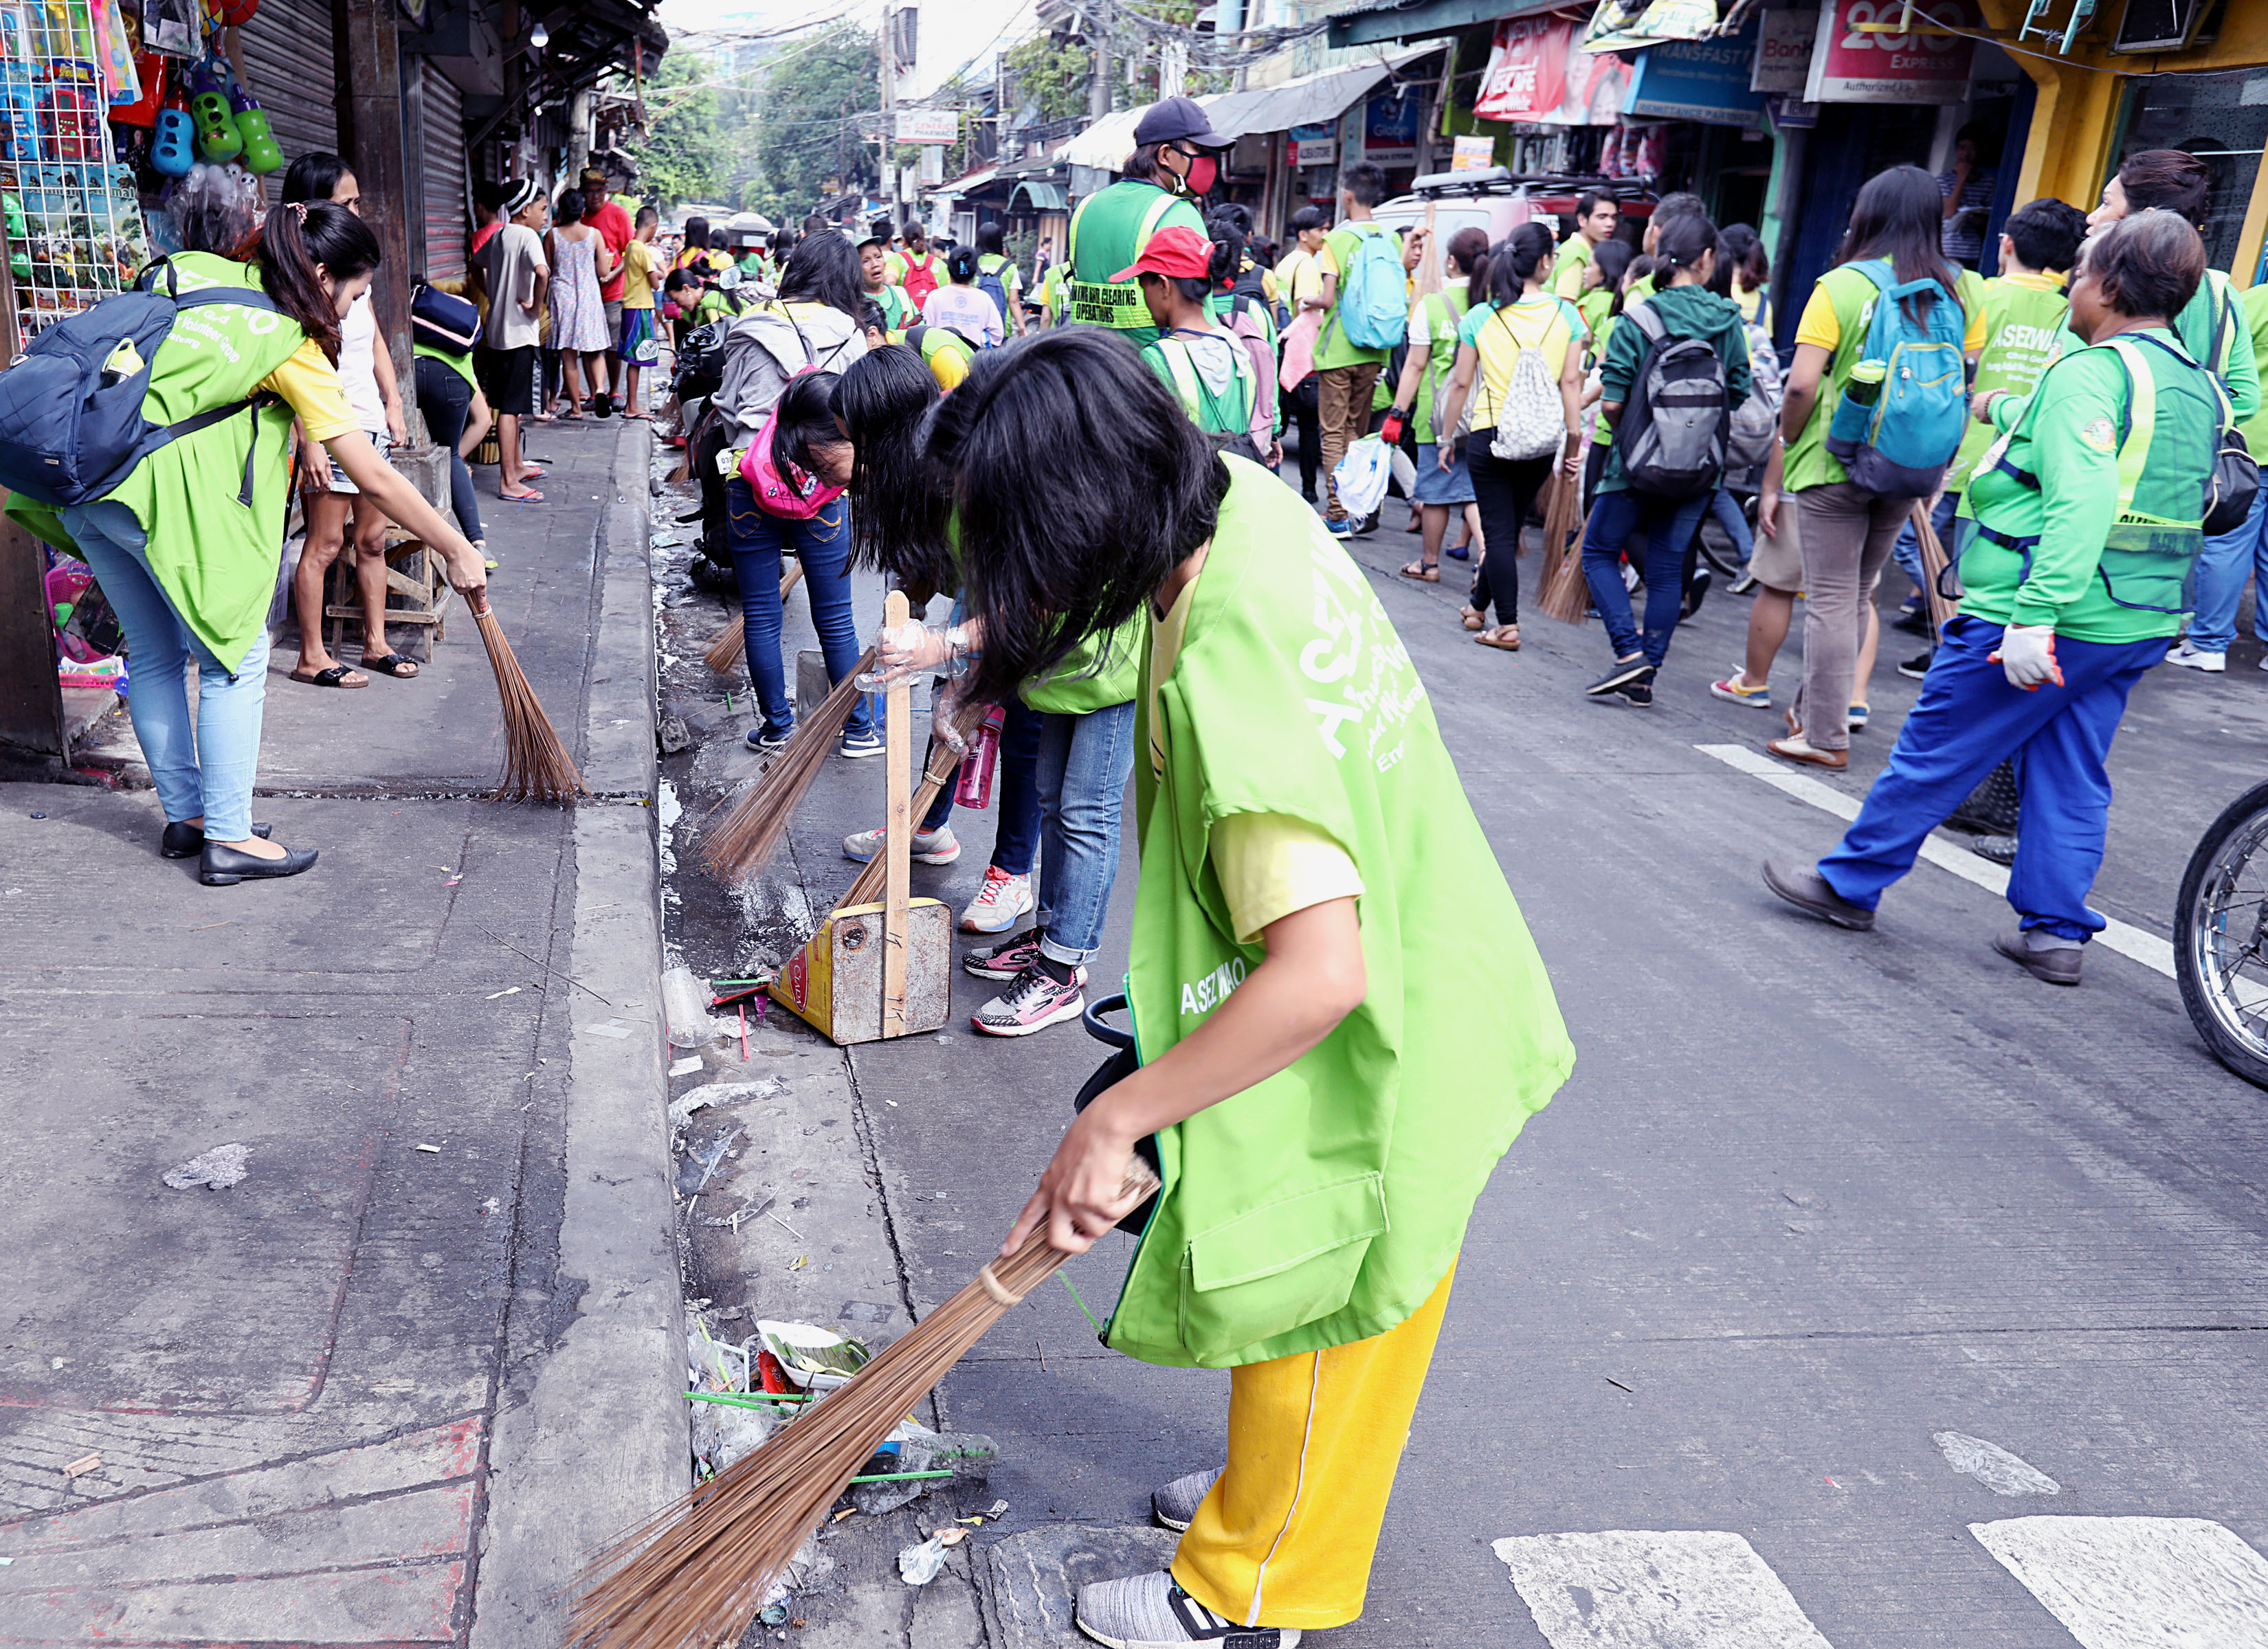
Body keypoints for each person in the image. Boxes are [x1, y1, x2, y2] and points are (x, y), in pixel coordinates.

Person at [889, 328, 1571, 1648]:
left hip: (1391, 1025)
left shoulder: (1234, 700)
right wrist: (994, 666)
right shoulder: (1235, 503)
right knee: (1290, 1269)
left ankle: (1252, 1592)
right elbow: (1103, 637)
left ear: (1078, 524)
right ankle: (1275, 1484)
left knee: (1332, 1301)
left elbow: (1318, 975)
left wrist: (1120, 1116)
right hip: (1439, 945)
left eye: (1013, 552)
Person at [1763, 210, 2223, 988]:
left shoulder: (2091, 372)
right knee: (2072, 771)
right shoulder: (2191, 381)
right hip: (2135, 619)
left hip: (2043, 612)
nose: (2071, 287)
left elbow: (2080, 499)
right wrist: (2000, 408)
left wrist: (2035, 617)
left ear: (2109, 286)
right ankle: (2054, 930)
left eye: (2080, 274)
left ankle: (1850, 884)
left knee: (1935, 750)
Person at [5, 200, 486, 885]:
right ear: (320, 273)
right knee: (237, 656)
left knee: (153, 653)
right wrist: (456, 545)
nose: (350, 312)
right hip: (158, 499)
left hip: (85, 484)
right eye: (351, 293)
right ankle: (229, 839)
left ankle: (190, 817)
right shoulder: (287, 340)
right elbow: (371, 471)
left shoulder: (198, 272)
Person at [1772, 165, 1973, 767]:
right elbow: (1963, 382)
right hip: (1910, 463)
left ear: (1868, 215)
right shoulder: (1963, 287)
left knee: (1831, 596)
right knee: (1858, 592)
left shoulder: (1841, 285)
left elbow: (1802, 385)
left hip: (1836, 460)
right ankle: (1816, 710)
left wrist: (1788, 438)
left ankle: (1825, 735)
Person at [1884, 195, 2088, 677]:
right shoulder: (2070, 312)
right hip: (2023, 461)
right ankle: (1954, 631)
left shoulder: (1978, 295)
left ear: (2008, 245)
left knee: (1921, 548)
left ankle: (1955, 630)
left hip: (1963, 450)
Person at [2082, 149, 2267, 671]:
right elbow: (2244, 399)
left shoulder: (2101, 288)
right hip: (2173, 510)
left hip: (2094, 502)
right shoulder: (2219, 290)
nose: (2094, 216)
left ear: (2142, 218)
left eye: (2106, 203)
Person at [1574, 213, 1748, 701]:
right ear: (1708, 259)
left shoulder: (1639, 319)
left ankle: (1628, 654)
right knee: (1670, 568)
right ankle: (1647, 672)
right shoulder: (1727, 321)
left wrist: (1638, 433)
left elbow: (1611, 401)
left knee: (1599, 551)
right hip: (1700, 468)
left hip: (1633, 463)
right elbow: (1739, 388)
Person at [716, 232, 875, 756]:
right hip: (825, 488)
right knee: (835, 615)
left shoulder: (751, 325)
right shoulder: (849, 336)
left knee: (761, 612)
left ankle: (778, 727)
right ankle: (857, 730)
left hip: (749, 480)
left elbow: (726, 404)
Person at [279, 153, 411, 689]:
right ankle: (311, 656)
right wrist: (307, 440)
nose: (357, 209)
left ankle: (375, 644)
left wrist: (394, 401)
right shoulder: (299, 282)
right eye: (346, 202)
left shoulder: (352, 267)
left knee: (373, 540)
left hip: (368, 422)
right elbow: (292, 370)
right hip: (328, 429)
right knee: (326, 544)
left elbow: (375, 337)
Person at [1428, 225, 1584, 653]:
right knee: (1508, 526)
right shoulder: (1567, 316)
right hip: (1541, 440)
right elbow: (1571, 382)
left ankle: (1508, 625)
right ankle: (1478, 604)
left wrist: (1445, 438)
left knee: (1498, 532)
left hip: (1490, 436)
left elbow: (1461, 385)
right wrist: (1572, 444)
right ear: (1546, 262)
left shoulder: (1481, 317)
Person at [1311, 161, 1423, 538]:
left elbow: (1328, 299)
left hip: (1339, 351)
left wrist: (1307, 301)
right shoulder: (1390, 239)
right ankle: (1358, 507)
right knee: (1357, 433)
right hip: (1375, 352)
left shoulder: (1338, 241)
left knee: (1333, 432)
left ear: (1347, 196)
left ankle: (1338, 513)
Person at [1063, 95, 1224, 346]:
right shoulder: (1176, 213)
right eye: (1200, 151)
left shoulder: (1087, 206)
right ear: (1166, 155)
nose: (1208, 161)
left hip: (1086, 368)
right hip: (1152, 372)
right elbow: (1199, 322)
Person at [1388, 227, 1489, 584]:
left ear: (1451, 260)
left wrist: (1397, 413)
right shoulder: (1493, 305)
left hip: (1436, 415)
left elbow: (1415, 366)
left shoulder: (1431, 304)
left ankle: (1429, 563)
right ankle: (1485, 554)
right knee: (1475, 491)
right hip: (1483, 412)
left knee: (1436, 494)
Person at [1122, 225, 1265, 460]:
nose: (1143, 296)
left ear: (1164, 285)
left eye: (1143, 286)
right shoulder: (1237, 351)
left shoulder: (1158, 358)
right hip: (1236, 485)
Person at [473, 179, 549, 502]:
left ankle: (515, 466)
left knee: (506, 403)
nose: (546, 216)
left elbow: (475, 265)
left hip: (499, 333)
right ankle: (508, 481)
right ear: (526, 210)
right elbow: (543, 272)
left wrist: (493, 295)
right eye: (543, 209)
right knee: (510, 409)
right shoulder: (528, 235)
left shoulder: (500, 234)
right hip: (521, 333)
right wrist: (535, 305)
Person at [411, 278, 491, 570]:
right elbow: (483, 421)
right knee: (451, 452)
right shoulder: (459, 338)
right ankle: (478, 544)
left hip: (406, 372)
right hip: (450, 384)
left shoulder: (403, 322)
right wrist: (450, 463)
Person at [1275, 205, 1331, 501]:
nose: (1325, 235)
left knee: (1279, 424)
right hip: (1302, 357)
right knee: (1309, 427)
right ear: (1303, 234)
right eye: (1321, 230)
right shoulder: (1308, 265)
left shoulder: (1285, 263)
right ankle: (1309, 489)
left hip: (1281, 351)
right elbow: (1305, 312)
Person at [545, 188, 616, 420]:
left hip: (563, 298)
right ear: (583, 210)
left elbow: (546, 269)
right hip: (589, 297)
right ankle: (599, 390)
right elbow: (604, 271)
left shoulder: (552, 235)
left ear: (561, 210)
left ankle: (576, 409)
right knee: (595, 351)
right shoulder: (594, 235)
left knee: (569, 356)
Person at [581, 166, 633, 413]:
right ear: (582, 193)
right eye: (589, 192)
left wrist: (613, 274)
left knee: (613, 346)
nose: (595, 197)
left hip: (613, 293)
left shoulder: (618, 214)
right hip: (585, 294)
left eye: (599, 191)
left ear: (606, 191)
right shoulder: (577, 216)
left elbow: (629, 252)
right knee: (587, 345)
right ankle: (595, 393)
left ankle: (614, 391)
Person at [615, 205, 663, 418]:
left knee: (636, 358)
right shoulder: (643, 249)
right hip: (639, 307)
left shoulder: (631, 246)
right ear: (653, 227)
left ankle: (632, 405)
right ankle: (632, 406)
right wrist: (660, 274)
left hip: (633, 307)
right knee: (637, 357)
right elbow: (655, 284)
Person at [924, 243, 1006, 349]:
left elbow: (926, 332)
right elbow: (997, 335)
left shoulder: (935, 296)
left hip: (939, 360)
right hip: (973, 361)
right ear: (974, 271)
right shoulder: (984, 299)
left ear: (949, 269)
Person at [1939, 124, 1999, 268]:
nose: (1966, 154)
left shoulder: (1989, 182)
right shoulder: (1944, 180)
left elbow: (1991, 217)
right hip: (1948, 249)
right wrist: (1961, 178)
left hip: (1974, 251)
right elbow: (1949, 212)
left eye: (1972, 148)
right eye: (1962, 148)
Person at [1552, 189, 1619, 304]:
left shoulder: (1579, 249)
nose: (1610, 224)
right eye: (1602, 217)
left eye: (1613, 217)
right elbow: (1565, 307)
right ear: (1582, 220)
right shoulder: (1576, 253)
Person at [863, 218, 917, 330]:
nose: (875, 264)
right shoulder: (852, 300)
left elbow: (917, 327)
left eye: (878, 257)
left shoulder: (901, 294)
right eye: (866, 261)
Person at [974, 221, 1025, 339]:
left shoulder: (973, 262)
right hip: (1000, 327)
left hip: (974, 326)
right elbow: (1013, 301)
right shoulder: (1009, 267)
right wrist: (1022, 327)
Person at [899, 221, 944, 307]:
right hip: (932, 318)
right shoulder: (940, 264)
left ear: (903, 241)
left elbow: (889, 282)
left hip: (907, 318)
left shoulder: (897, 259)